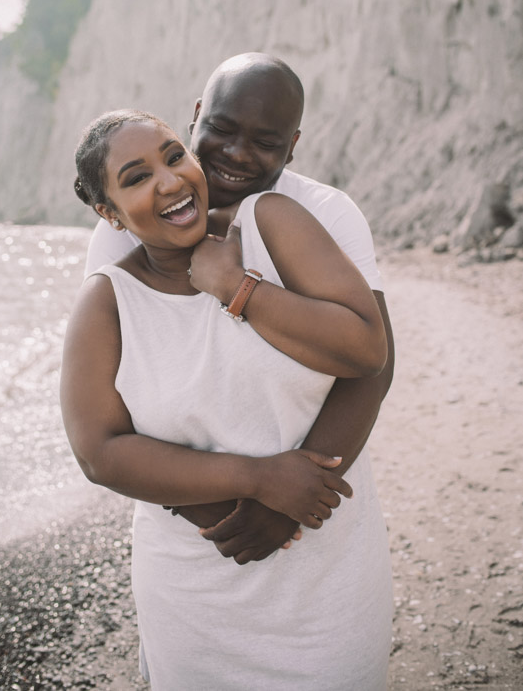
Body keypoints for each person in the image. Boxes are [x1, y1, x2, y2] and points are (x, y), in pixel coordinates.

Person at [61, 109, 393, 689]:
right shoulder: (108, 301)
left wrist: (237, 287)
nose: (169, 181)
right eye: (137, 178)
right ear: (108, 213)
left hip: (327, 578)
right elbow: (100, 452)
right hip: (195, 592)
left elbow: (367, 352)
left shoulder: (271, 224)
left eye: (174, 156)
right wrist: (258, 479)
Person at [83, 52, 395, 565]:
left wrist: (296, 498)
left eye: (265, 142)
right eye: (222, 129)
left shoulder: (323, 213)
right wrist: (235, 502)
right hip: (195, 542)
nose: (236, 153)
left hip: (320, 519)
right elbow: (110, 413)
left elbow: (371, 369)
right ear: (197, 117)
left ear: (292, 146)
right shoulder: (125, 233)